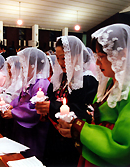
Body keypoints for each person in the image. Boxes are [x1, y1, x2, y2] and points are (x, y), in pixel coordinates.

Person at [57, 24, 130, 167]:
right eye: (96, 56)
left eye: (101, 56)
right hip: (99, 150)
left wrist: (79, 129)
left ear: (122, 54)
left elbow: (121, 147)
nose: (97, 63)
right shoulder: (109, 85)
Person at [36, 36, 98, 167]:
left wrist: (52, 106)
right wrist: (44, 105)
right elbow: (52, 97)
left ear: (76, 56)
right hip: (54, 134)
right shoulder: (61, 78)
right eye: (58, 58)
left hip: (72, 138)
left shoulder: (87, 80)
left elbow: (83, 111)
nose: (60, 62)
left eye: (64, 58)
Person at [2, 48, 50, 161]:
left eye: (24, 66)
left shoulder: (42, 82)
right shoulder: (30, 81)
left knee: (30, 154)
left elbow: (34, 107)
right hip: (21, 123)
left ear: (32, 65)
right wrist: (12, 105)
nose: (22, 69)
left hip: (33, 129)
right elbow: (20, 96)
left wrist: (14, 113)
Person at [0, 55, 22, 137]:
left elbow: (15, 99)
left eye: (11, 68)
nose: (9, 71)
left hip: (12, 114)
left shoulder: (20, 82)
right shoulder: (10, 80)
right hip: (4, 113)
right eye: (8, 68)